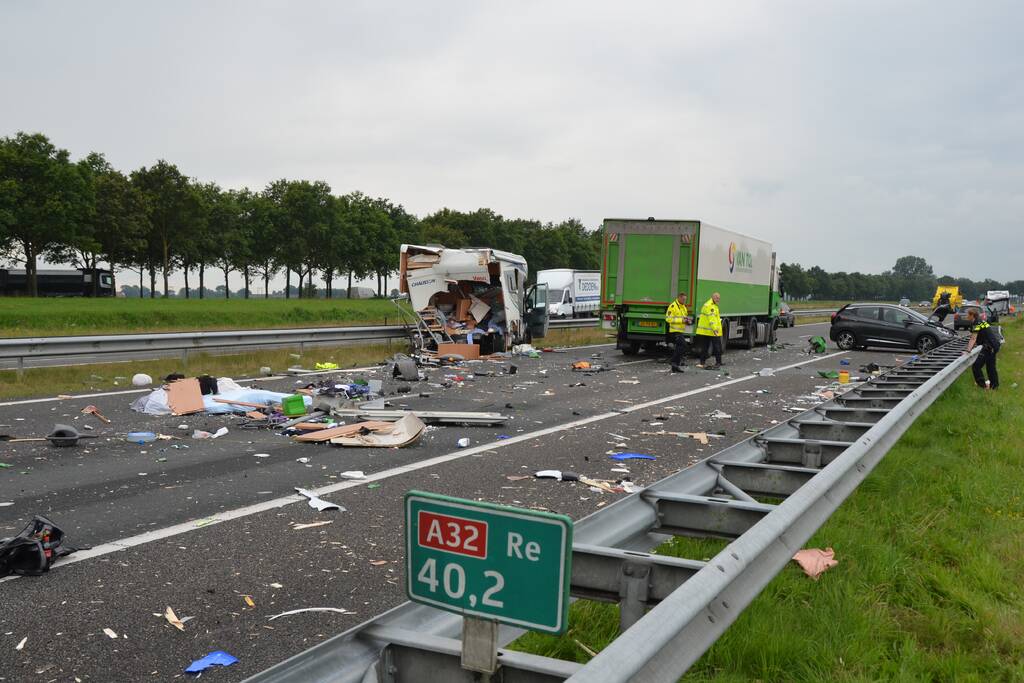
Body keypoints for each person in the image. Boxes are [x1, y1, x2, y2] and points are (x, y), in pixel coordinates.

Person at [963, 307, 1000, 389]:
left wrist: (968, 350)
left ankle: (982, 386)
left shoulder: (976, 323)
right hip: (994, 345)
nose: (966, 316)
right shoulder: (981, 321)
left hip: (989, 347)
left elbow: (973, 338)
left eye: (967, 314)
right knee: (990, 367)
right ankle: (994, 386)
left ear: (972, 315)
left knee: (976, 366)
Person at [665, 292, 692, 373]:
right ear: (679, 298)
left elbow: (684, 317)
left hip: (680, 331)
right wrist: (681, 320)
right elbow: (668, 319)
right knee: (683, 346)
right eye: (683, 299)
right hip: (674, 331)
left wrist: (687, 321)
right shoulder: (673, 306)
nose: (684, 301)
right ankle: (673, 362)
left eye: (685, 300)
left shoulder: (683, 307)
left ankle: (675, 366)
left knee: (680, 347)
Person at [696, 292, 723, 369]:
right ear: (713, 297)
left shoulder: (712, 305)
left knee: (705, 347)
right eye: (717, 298)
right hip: (711, 331)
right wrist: (715, 329)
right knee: (716, 346)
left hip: (706, 331)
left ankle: (702, 362)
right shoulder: (710, 306)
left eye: (719, 298)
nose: (718, 299)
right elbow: (712, 319)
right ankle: (718, 362)